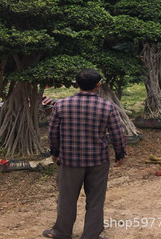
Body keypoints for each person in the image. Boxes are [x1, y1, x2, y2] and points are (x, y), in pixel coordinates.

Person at [43, 68, 126, 239]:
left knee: (66, 198)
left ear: (77, 84)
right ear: (98, 85)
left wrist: (55, 152)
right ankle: (91, 235)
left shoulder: (61, 105)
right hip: (98, 161)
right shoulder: (108, 106)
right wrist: (120, 154)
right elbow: (117, 133)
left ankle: (61, 233)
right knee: (95, 200)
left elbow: (52, 133)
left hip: (69, 161)